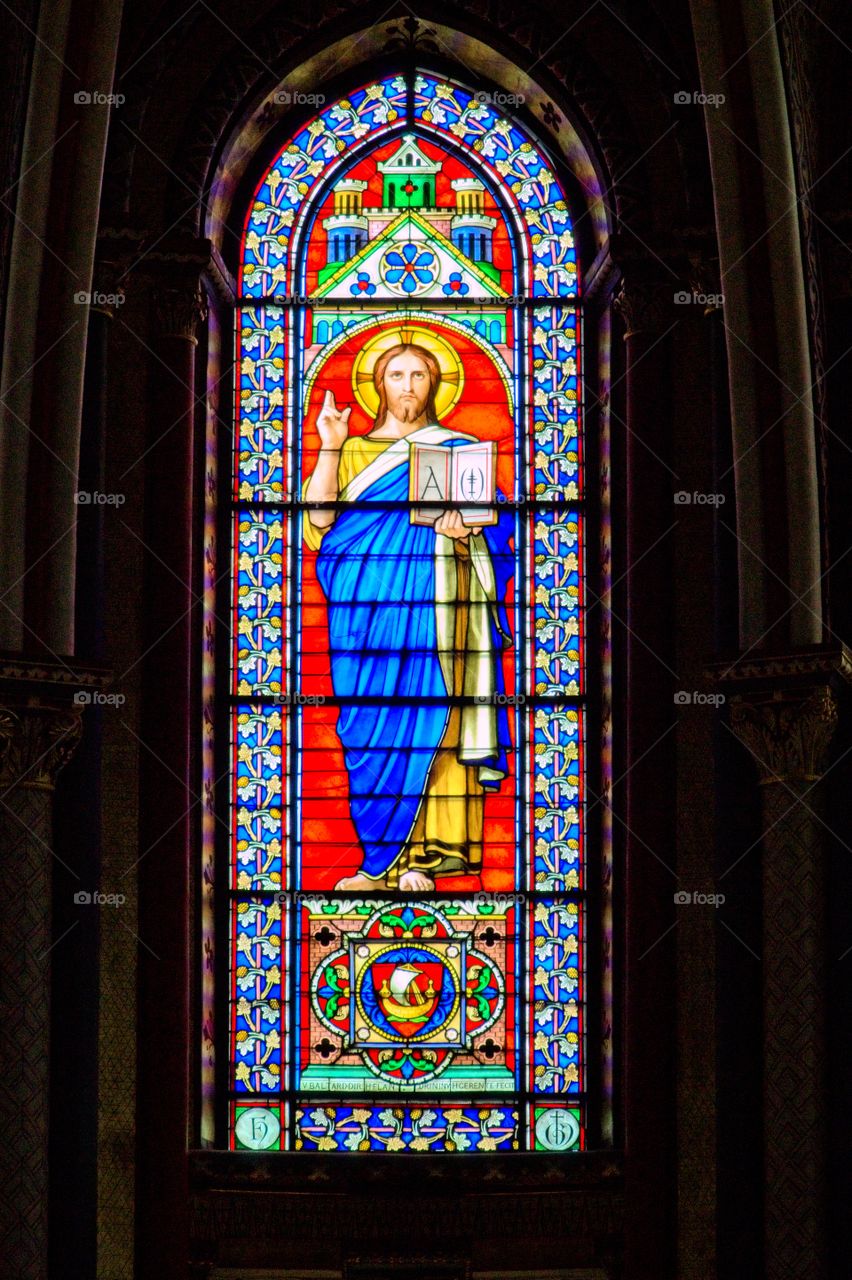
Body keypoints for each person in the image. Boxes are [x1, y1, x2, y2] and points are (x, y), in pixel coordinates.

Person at [303, 342, 513, 891]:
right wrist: (329, 445)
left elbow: (499, 530)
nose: (408, 385)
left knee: (439, 708)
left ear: (436, 383)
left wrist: (469, 531)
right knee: (370, 725)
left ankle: (428, 853)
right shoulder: (350, 451)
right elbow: (320, 520)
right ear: (379, 385)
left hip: (439, 605)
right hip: (363, 609)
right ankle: (378, 861)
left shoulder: (461, 450)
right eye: (396, 374)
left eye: (419, 373)